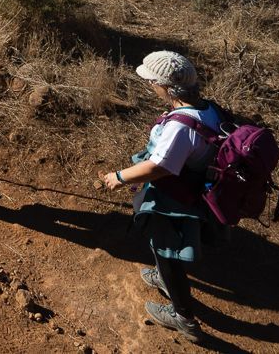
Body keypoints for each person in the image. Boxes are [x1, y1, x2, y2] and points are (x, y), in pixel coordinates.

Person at [100, 51, 225, 343]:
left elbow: (160, 166)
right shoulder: (208, 109)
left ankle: (185, 321)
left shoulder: (181, 126)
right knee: (163, 253)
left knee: (168, 253)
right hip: (190, 191)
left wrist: (118, 177)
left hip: (175, 201)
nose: (149, 86)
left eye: (151, 82)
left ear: (167, 87)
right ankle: (162, 276)